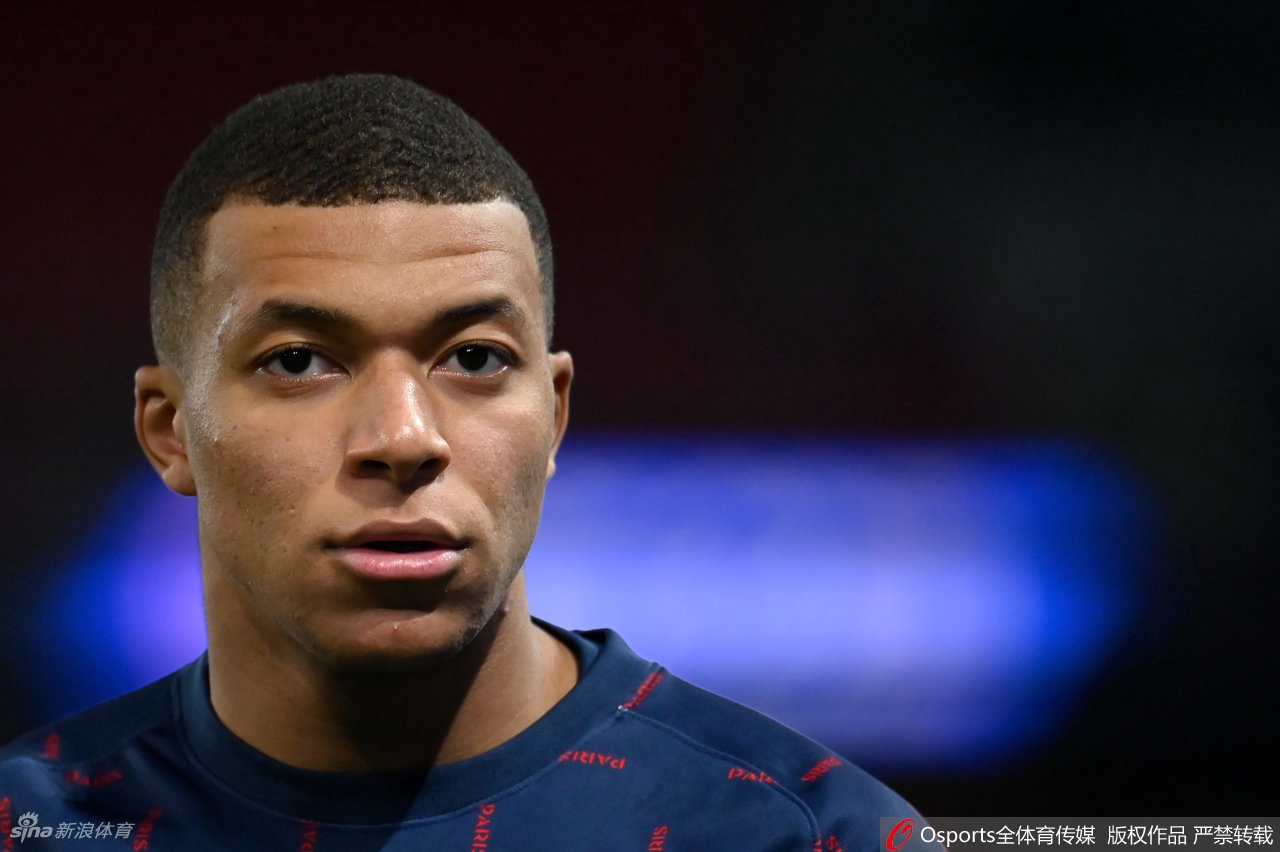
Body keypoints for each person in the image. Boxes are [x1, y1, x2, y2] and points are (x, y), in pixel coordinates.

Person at [0, 74, 931, 850]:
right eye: (299, 362)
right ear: (169, 430)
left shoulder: (817, 837)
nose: (404, 438)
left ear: (555, 414)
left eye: (476, 358)